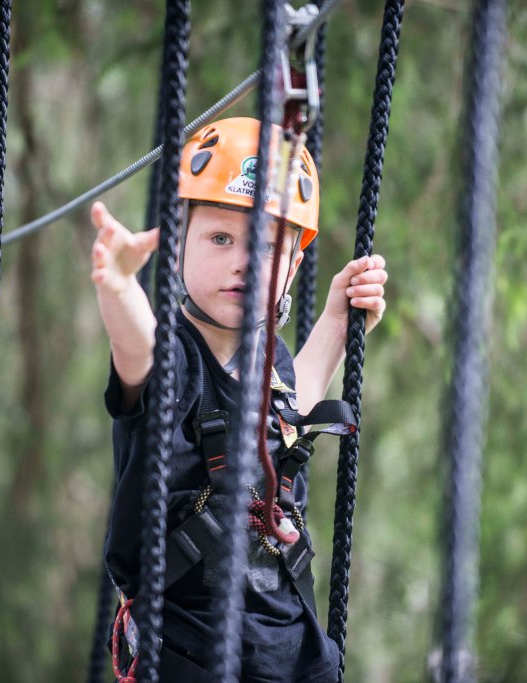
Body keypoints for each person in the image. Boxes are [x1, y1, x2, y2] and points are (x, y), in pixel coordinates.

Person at [91, 117, 387, 682]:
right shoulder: (174, 357)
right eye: (220, 238)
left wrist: (338, 320)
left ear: (292, 267)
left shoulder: (271, 359)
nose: (243, 262)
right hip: (189, 653)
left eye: (267, 248)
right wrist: (120, 288)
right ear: (179, 244)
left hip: (296, 651)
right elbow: (136, 349)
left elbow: (293, 401)